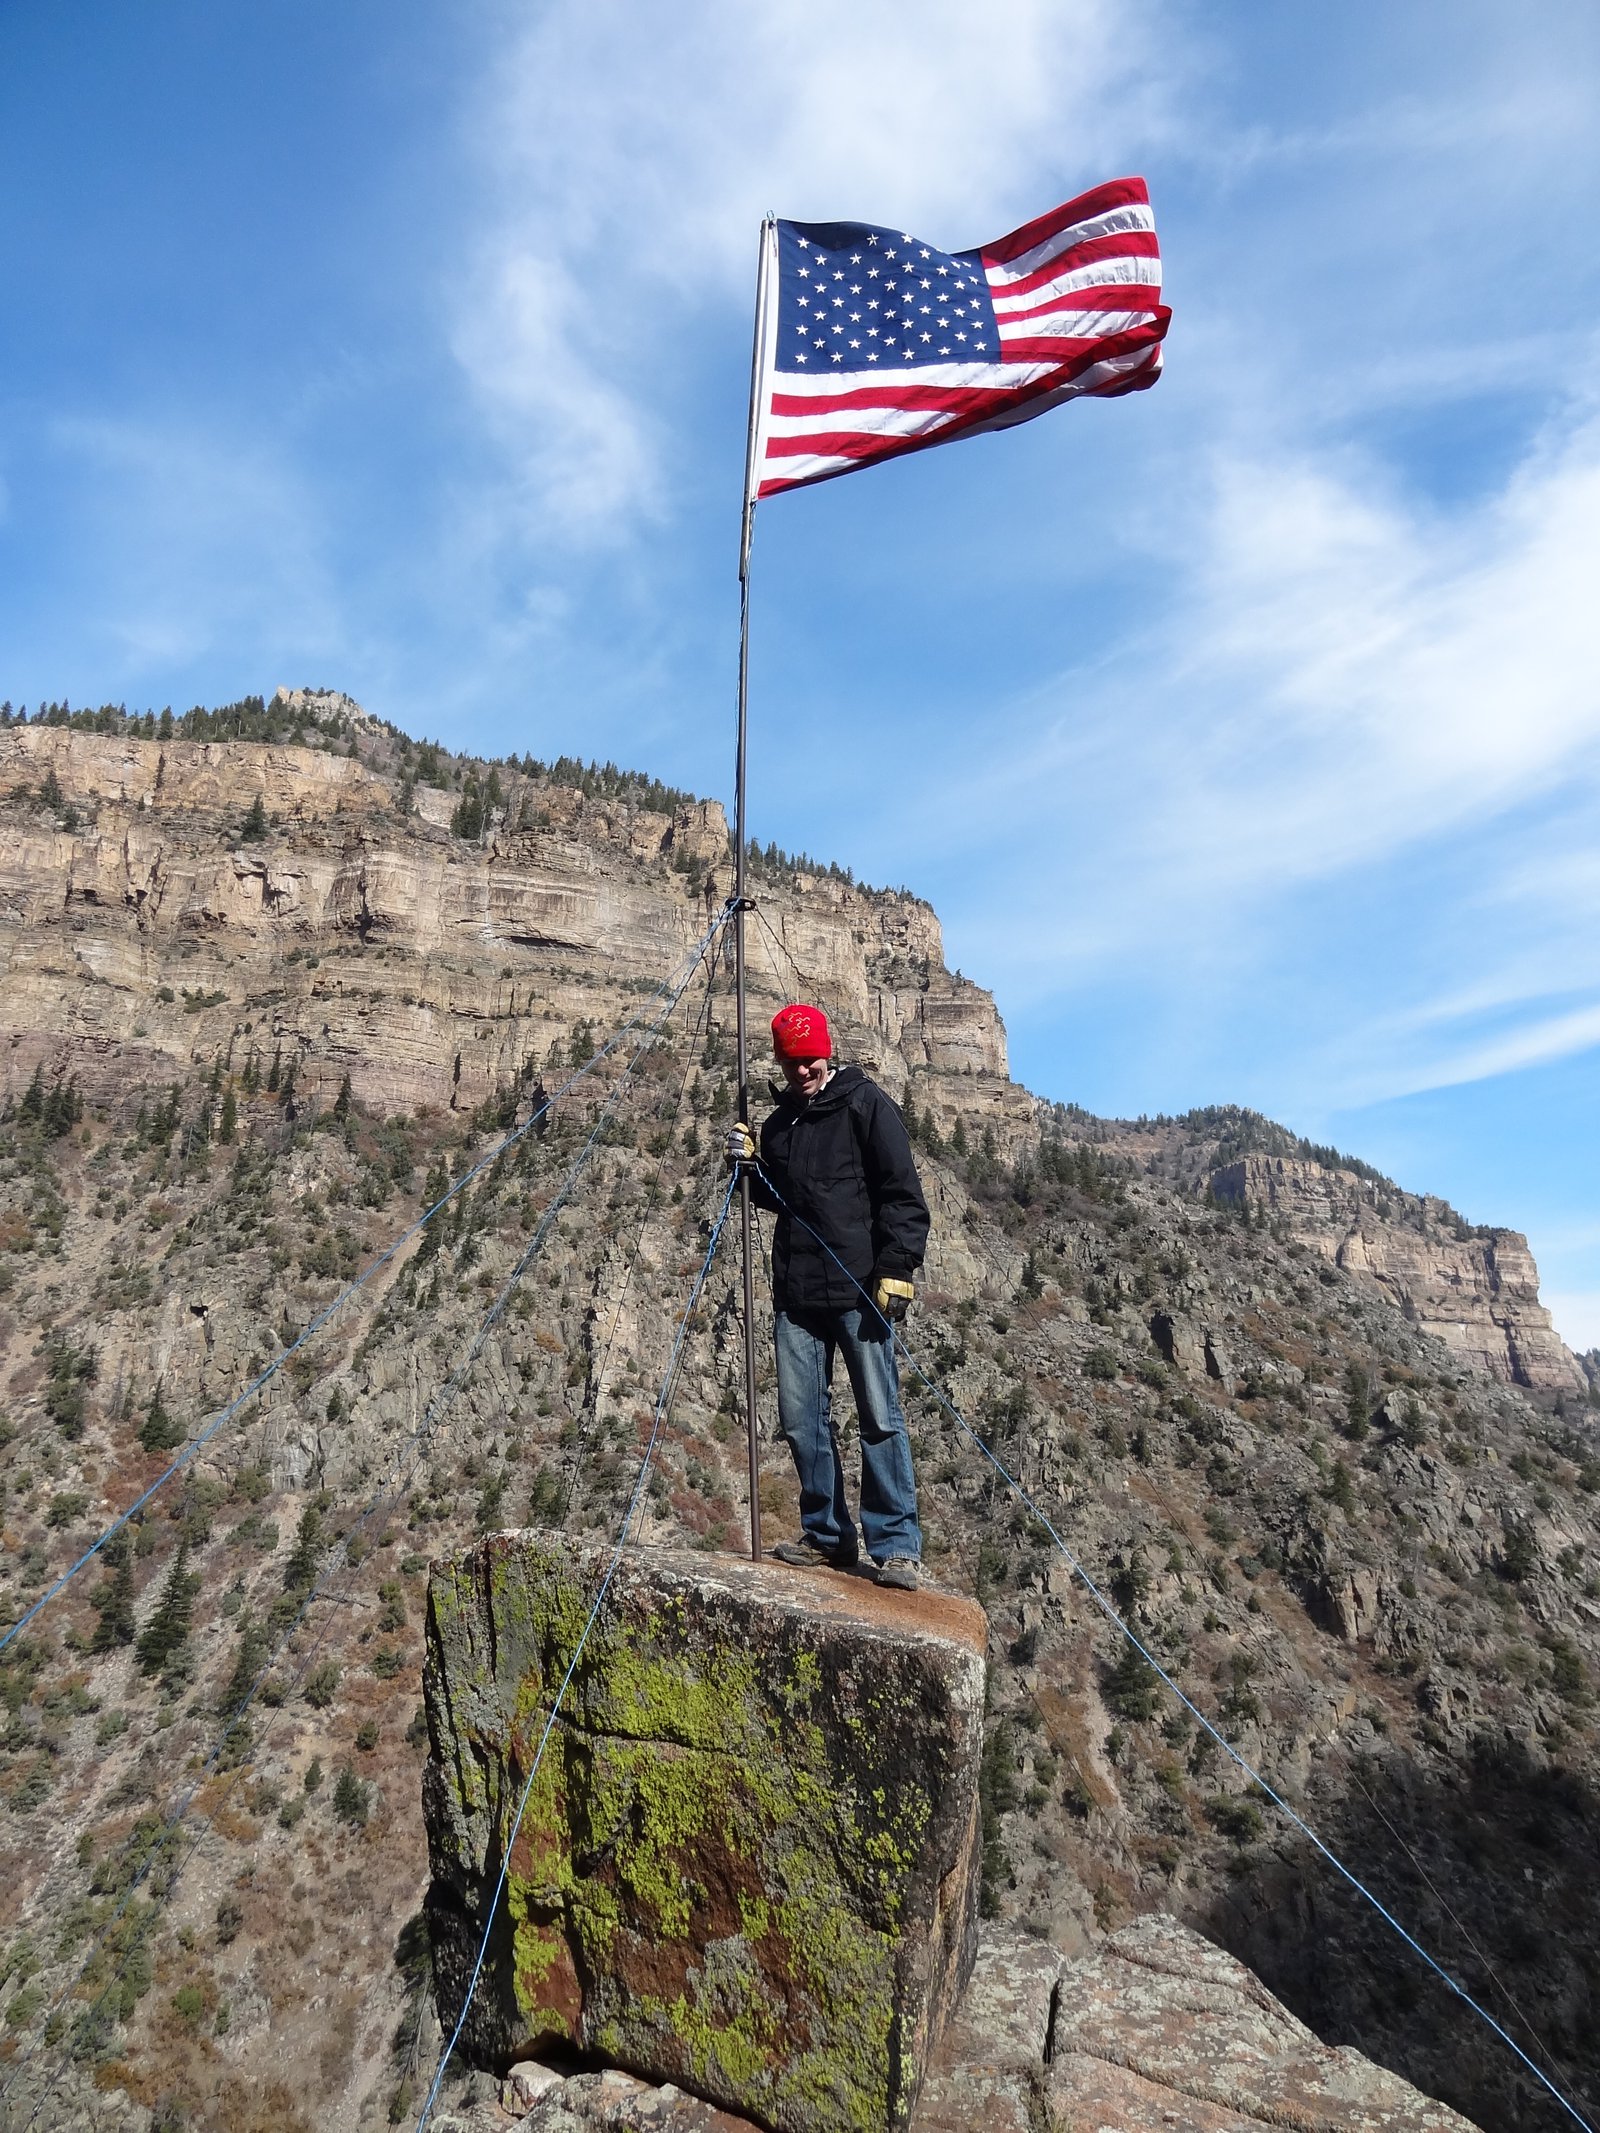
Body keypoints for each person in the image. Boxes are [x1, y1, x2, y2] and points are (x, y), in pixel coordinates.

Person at [727, 1003, 929, 1590]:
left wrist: (898, 1267)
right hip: (797, 1293)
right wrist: (749, 1166)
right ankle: (827, 1534)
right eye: (792, 1063)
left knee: (879, 1416)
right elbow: (779, 1198)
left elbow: (903, 1195)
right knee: (800, 1420)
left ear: (828, 1051)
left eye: (810, 1059)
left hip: (861, 1290)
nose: (803, 1072)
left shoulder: (868, 1106)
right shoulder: (779, 1125)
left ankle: (894, 1544)